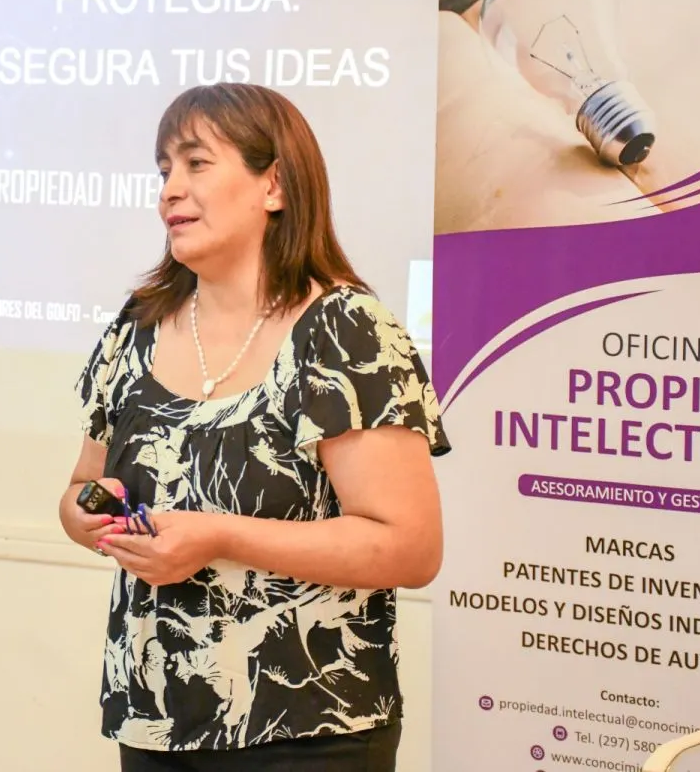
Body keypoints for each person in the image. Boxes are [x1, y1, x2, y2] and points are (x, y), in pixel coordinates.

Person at [58, 82, 451, 772]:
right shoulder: (138, 326)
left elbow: (410, 547)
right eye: (164, 170)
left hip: (309, 729)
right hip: (154, 720)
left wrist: (219, 536)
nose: (170, 190)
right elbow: (80, 490)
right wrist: (91, 516)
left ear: (274, 185)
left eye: (196, 163)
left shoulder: (346, 331)